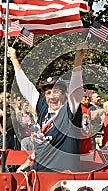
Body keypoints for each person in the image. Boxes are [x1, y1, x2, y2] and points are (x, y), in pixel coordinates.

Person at [8, 42, 87, 172]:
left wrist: (78, 60)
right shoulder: (44, 108)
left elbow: (76, 89)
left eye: (56, 92)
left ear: (64, 95)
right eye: (48, 93)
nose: (52, 96)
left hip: (62, 173)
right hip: (39, 171)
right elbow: (27, 89)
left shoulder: (69, 110)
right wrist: (15, 60)